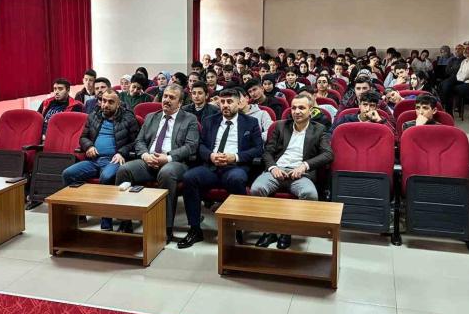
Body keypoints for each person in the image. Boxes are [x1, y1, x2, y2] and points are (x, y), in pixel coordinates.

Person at [177, 89, 264, 249]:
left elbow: (258, 149)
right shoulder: (210, 120)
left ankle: (236, 227)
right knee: (189, 177)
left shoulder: (250, 122)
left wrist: (235, 157)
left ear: (239, 103)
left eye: (229, 102)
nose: (225, 105)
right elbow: (200, 145)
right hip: (211, 166)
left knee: (236, 178)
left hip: (234, 166)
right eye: (222, 102)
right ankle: (195, 229)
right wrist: (210, 155)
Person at [249, 92, 334, 249]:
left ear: (310, 110)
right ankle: (269, 231)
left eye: (301, 108)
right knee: (256, 189)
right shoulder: (280, 126)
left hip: (301, 173)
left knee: (310, 195)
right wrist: (273, 167)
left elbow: (328, 154)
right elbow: (268, 152)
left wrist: (304, 166)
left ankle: (287, 231)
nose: (297, 111)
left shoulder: (319, 129)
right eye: (294, 108)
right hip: (277, 170)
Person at [115, 84, 199, 240]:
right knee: (124, 170)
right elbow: (139, 141)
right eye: (165, 96)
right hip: (149, 159)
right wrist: (145, 155)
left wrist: (167, 158)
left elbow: (191, 146)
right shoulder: (151, 117)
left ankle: (165, 227)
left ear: (180, 102)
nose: (166, 100)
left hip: (175, 162)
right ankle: (125, 221)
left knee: (166, 173)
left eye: (172, 97)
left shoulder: (189, 119)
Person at [62, 90, 140, 230]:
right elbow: (83, 137)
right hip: (94, 160)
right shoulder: (94, 115)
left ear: (118, 104)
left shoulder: (128, 118)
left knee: (106, 177)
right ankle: (79, 213)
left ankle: (106, 220)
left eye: (110, 102)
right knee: (68, 174)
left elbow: (136, 142)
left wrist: (122, 153)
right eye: (104, 101)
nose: (106, 105)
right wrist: (89, 146)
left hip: (114, 160)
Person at [440, 41, 469, 114]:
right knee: (443, 84)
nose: (465, 50)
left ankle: (448, 111)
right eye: (464, 48)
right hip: (463, 82)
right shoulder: (464, 61)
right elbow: (459, 74)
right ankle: (447, 111)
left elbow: (466, 75)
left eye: (468, 48)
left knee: (449, 88)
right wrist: (461, 77)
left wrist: (461, 77)